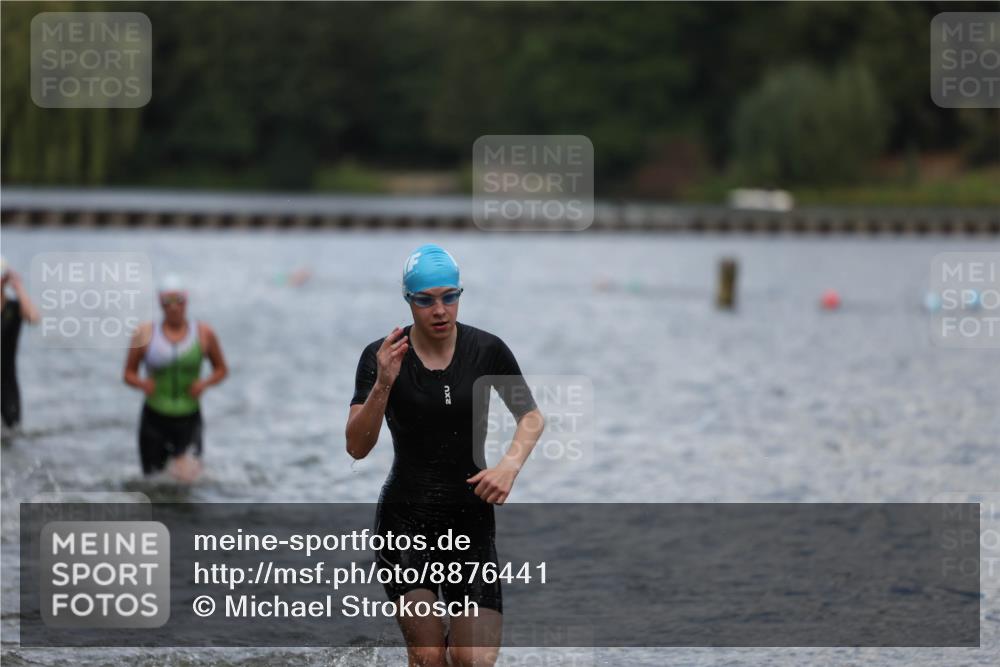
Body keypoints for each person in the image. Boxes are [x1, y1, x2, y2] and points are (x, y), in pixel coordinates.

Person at [345, 244, 545, 667]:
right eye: (426, 300)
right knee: (431, 658)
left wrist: (509, 466)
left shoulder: (487, 351)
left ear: (459, 295)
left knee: (474, 661)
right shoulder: (381, 356)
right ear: (408, 301)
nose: (440, 310)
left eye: (449, 296)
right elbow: (357, 447)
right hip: (405, 522)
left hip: (470, 526)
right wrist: (383, 384)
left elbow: (531, 418)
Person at [123, 274, 228, 480]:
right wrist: (142, 384)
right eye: (167, 301)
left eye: (178, 300)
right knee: (153, 483)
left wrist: (204, 383)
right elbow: (128, 374)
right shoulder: (144, 333)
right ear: (160, 303)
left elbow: (222, 369)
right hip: (154, 418)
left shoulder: (204, 334)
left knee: (187, 480)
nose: (173, 306)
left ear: (186, 301)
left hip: (189, 419)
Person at [1, 258, 40, 434]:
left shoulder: (14, 307)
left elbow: (34, 318)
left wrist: (19, 288)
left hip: (7, 380)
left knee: (13, 432)